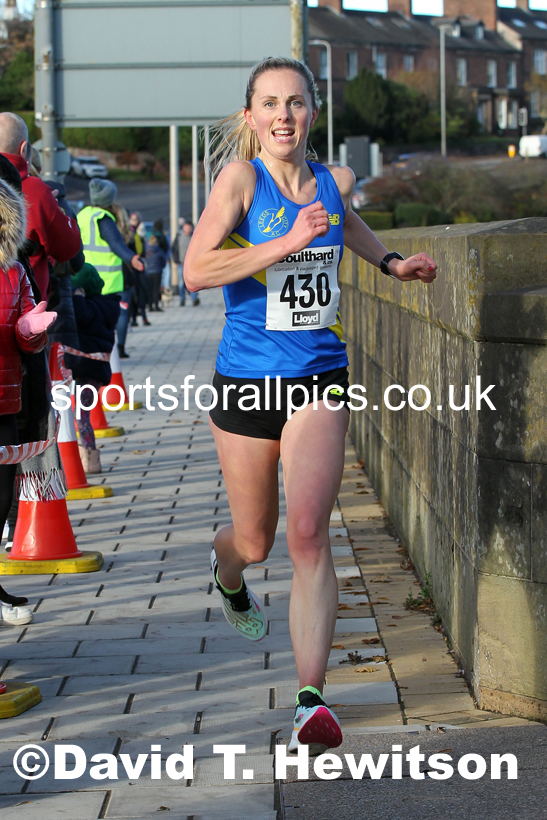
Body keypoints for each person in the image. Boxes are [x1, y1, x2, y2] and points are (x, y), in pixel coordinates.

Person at [184, 57, 437, 755]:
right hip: (244, 384)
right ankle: (227, 572)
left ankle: (309, 703)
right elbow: (196, 269)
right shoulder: (239, 181)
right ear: (250, 118)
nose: (283, 116)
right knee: (255, 540)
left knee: (305, 534)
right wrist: (282, 242)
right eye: (269, 104)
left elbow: (345, 224)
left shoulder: (332, 181)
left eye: (295, 103)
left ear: (313, 113)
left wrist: (390, 263)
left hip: (318, 376)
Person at [0, 177, 57, 624]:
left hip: (5, 403)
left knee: (0, 502)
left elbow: (24, 341)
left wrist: (31, 330)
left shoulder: (14, 273)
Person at [0, 112, 82, 301]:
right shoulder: (35, 191)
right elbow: (69, 248)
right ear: (24, 150)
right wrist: (57, 209)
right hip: (24, 314)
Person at [76, 179, 144, 334]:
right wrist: (131, 258)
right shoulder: (104, 218)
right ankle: (117, 351)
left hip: (85, 277)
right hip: (107, 280)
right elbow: (115, 243)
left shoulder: (83, 215)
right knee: (115, 319)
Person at [71, 264, 120, 474]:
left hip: (85, 370)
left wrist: (77, 297)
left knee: (82, 417)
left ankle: (90, 460)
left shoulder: (87, 308)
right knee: (83, 415)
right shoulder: (108, 305)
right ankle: (88, 457)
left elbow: (83, 317)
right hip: (97, 371)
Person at [110, 203, 135, 358]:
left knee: (109, 312)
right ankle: (121, 347)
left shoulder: (109, 231)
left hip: (109, 274)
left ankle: (111, 347)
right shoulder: (129, 235)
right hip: (126, 276)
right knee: (123, 313)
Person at [128, 212, 150, 327]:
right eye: (132, 219)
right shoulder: (129, 233)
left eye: (136, 219)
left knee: (142, 292)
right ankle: (134, 319)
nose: (134, 221)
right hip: (132, 266)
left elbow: (142, 249)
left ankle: (144, 317)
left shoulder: (140, 233)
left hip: (139, 265)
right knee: (134, 294)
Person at [173, 220, 199, 307]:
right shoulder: (179, 236)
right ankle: (182, 299)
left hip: (192, 264)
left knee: (193, 282)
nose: (187, 229)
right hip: (181, 263)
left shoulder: (194, 237)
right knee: (181, 283)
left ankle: (194, 299)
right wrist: (176, 260)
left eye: (189, 228)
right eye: (186, 227)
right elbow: (174, 249)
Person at [147, 218, 168, 311]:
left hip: (148, 272)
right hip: (157, 271)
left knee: (150, 289)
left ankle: (150, 306)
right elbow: (163, 260)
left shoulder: (147, 252)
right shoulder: (159, 251)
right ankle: (156, 305)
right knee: (156, 288)